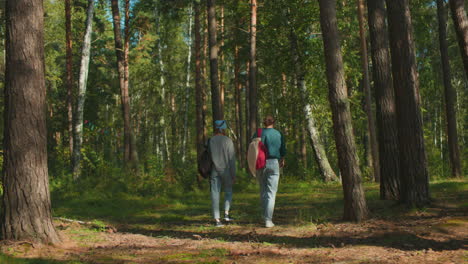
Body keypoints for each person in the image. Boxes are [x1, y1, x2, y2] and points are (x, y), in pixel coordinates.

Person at [253, 115, 286, 228]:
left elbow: (252, 148)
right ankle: (268, 220)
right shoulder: (278, 134)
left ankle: (264, 215)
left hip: (260, 163)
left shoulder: (258, 132)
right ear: (273, 122)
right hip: (273, 162)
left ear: (264, 123)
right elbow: (283, 150)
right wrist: (282, 159)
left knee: (263, 190)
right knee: (271, 193)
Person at [208, 120, 236, 227]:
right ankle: (226, 214)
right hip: (226, 170)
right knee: (228, 191)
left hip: (214, 170)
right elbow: (232, 159)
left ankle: (217, 219)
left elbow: (209, 156)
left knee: (215, 193)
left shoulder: (211, 140)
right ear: (224, 128)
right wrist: (234, 174)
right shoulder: (228, 140)